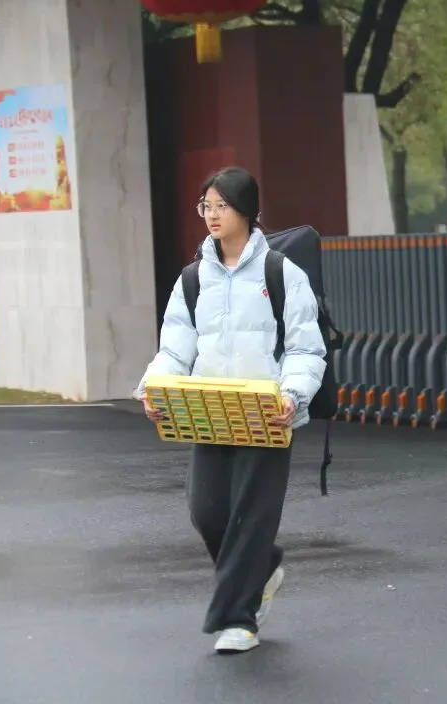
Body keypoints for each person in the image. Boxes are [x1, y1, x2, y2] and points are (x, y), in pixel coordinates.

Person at [135, 166, 327, 653]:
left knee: (250, 518)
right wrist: (155, 388)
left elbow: (307, 348)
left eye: (222, 205)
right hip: (208, 411)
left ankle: (238, 620)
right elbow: (175, 347)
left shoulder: (281, 272)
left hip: (266, 414)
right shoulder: (192, 278)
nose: (212, 215)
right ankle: (262, 570)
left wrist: (293, 395)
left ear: (248, 211)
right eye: (206, 206)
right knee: (207, 513)